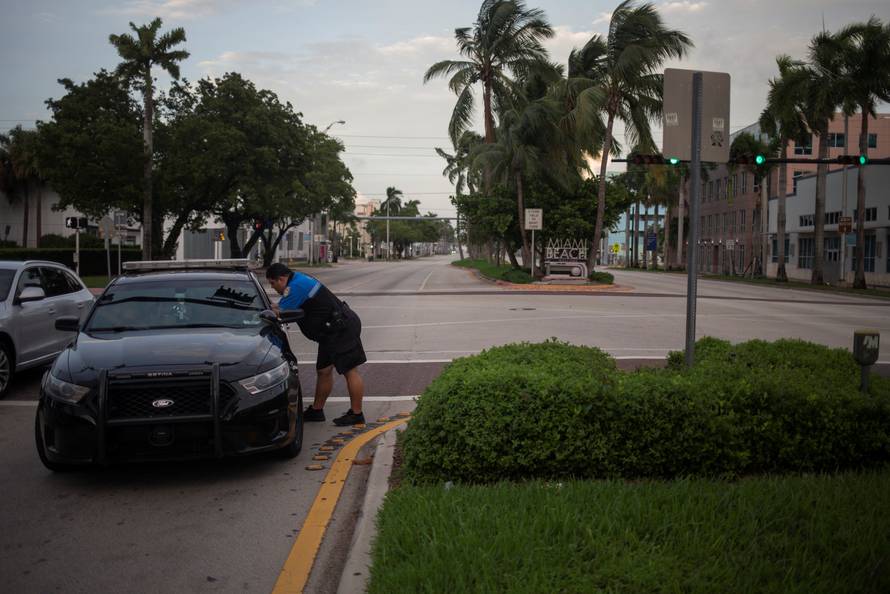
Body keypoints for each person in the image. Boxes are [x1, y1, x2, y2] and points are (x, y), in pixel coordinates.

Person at [265, 262, 366, 426]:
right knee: (324, 371)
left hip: (341, 329)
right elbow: (283, 305)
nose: (272, 287)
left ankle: (357, 414)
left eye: (272, 283)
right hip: (331, 332)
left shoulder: (296, 286)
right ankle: (317, 411)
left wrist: (266, 310)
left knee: (350, 371)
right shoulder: (297, 279)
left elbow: (278, 313)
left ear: (282, 279)